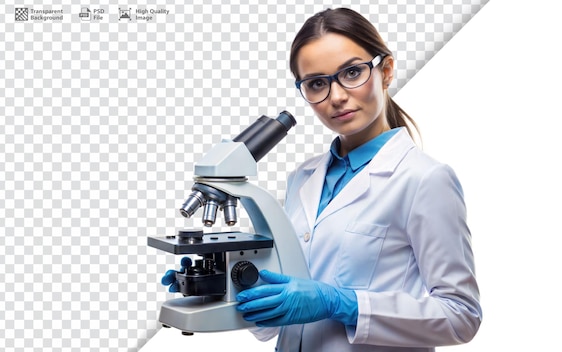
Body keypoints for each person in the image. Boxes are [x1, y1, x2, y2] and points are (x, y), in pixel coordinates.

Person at [163, 7, 481, 351]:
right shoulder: (302, 178)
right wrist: (225, 286)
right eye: (317, 83)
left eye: (352, 72)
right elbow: (274, 321)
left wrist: (341, 304)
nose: (338, 96)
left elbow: (461, 316)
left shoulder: (425, 180)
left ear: (385, 71)